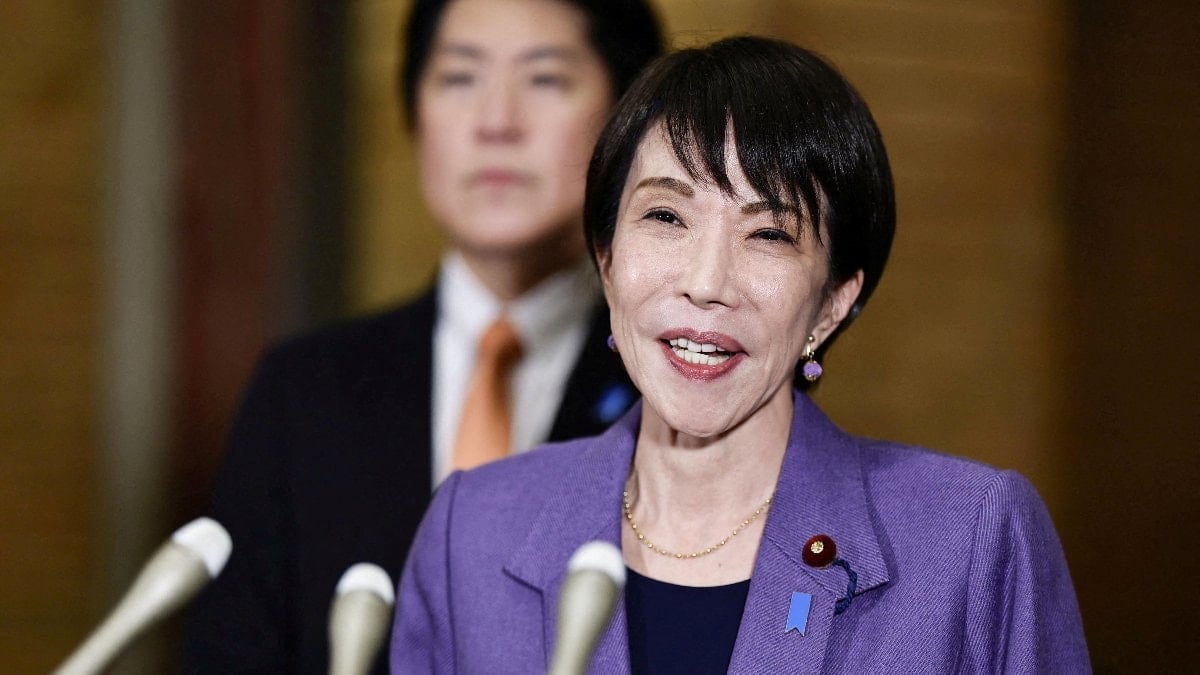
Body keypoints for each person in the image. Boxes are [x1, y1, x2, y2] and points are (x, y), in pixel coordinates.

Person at [391, 36, 1090, 673]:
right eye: (666, 217)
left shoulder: (969, 540)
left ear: (833, 300)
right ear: (605, 257)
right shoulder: (472, 533)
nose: (706, 283)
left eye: (770, 235)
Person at [182, 1, 662, 672]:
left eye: (546, 78)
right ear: (414, 116)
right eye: (460, 77)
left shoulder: (676, 391)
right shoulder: (304, 392)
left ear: (629, 125)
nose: (497, 122)